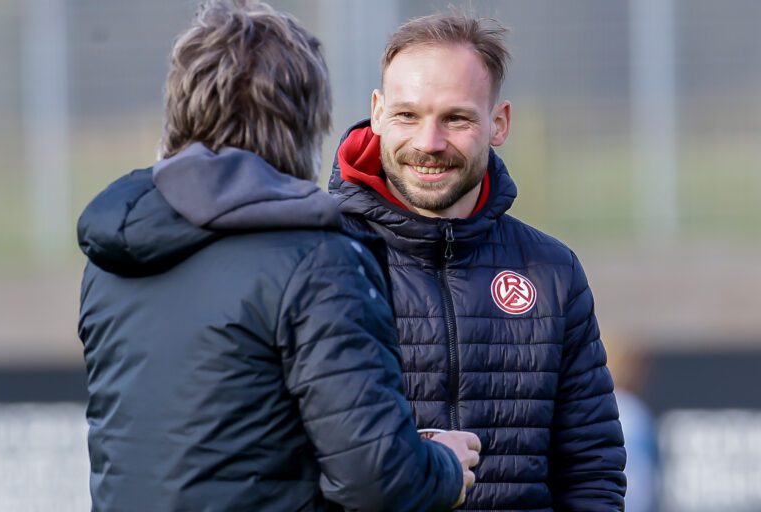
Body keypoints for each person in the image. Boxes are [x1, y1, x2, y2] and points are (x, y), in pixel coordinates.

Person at [77, 2, 480, 511]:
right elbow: (375, 478)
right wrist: (441, 465)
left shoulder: (114, 256)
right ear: (305, 119)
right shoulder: (318, 260)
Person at [328, 12, 627, 511]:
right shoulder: (315, 259)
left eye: (457, 118)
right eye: (407, 115)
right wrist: (410, 463)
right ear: (377, 113)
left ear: (499, 123)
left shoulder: (552, 271)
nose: (429, 142)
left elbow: (592, 472)